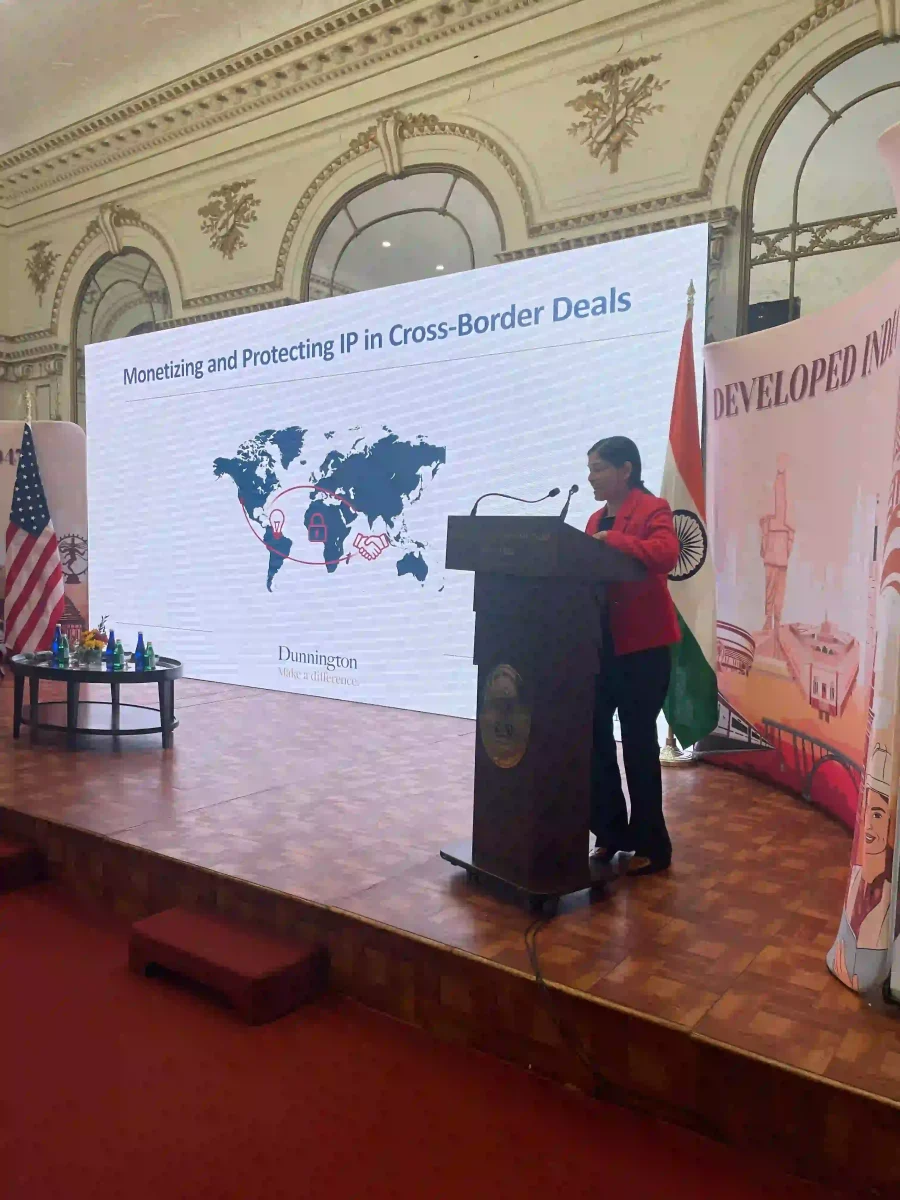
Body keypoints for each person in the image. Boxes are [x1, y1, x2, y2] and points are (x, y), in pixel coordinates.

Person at [585, 436, 680, 877]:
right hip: (598, 647)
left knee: (639, 744)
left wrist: (616, 540)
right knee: (594, 738)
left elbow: (666, 555)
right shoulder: (593, 518)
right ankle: (609, 832)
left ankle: (652, 845)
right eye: (590, 469)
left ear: (626, 470)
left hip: (643, 647)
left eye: (598, 469)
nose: (591, 477)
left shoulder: (653, 508)